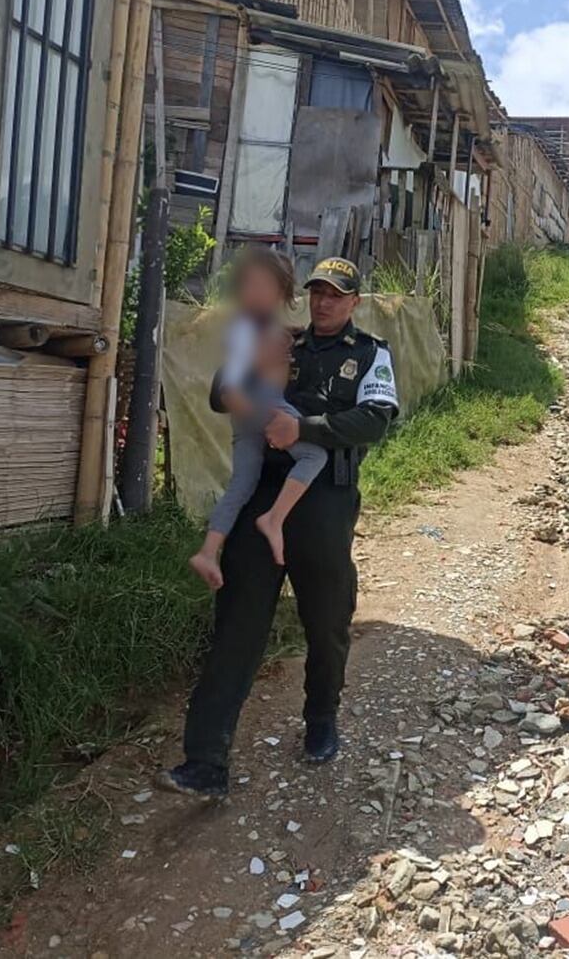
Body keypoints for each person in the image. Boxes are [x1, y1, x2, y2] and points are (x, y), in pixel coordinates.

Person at [159, 257, 399, 799]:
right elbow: (221, 391)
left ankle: (320, 721)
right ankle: (206, 761)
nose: (324, 302)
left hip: (324, 502)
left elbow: (376, 419)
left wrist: (306, 427)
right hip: (265, 492)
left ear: (354, 302)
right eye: (317, 292)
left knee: (326, 620)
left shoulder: (369, 355)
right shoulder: (282, 342)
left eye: (336, 295)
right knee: (237, 626)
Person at [189, 248, 328, 591]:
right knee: (316, 453)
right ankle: (274, 518)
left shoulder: (262, 325)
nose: (256, 293)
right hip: (263, 405)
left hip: (247, 419)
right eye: (251, 285)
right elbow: (231, 380)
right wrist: (249, 406)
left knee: (242, 484)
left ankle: (208, 551)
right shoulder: (245, 329)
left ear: (281, 293)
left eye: (264, 286)